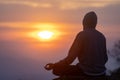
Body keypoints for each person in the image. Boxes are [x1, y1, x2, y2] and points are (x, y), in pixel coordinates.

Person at [45, 11, 108, 78]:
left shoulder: (82, 35)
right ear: (95, 23)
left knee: (56, 70)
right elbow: (105, 59)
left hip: (85, 72)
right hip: (101, 73)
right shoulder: (101, 36)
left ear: (84, 22)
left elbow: (70, 59)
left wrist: (55, 65)